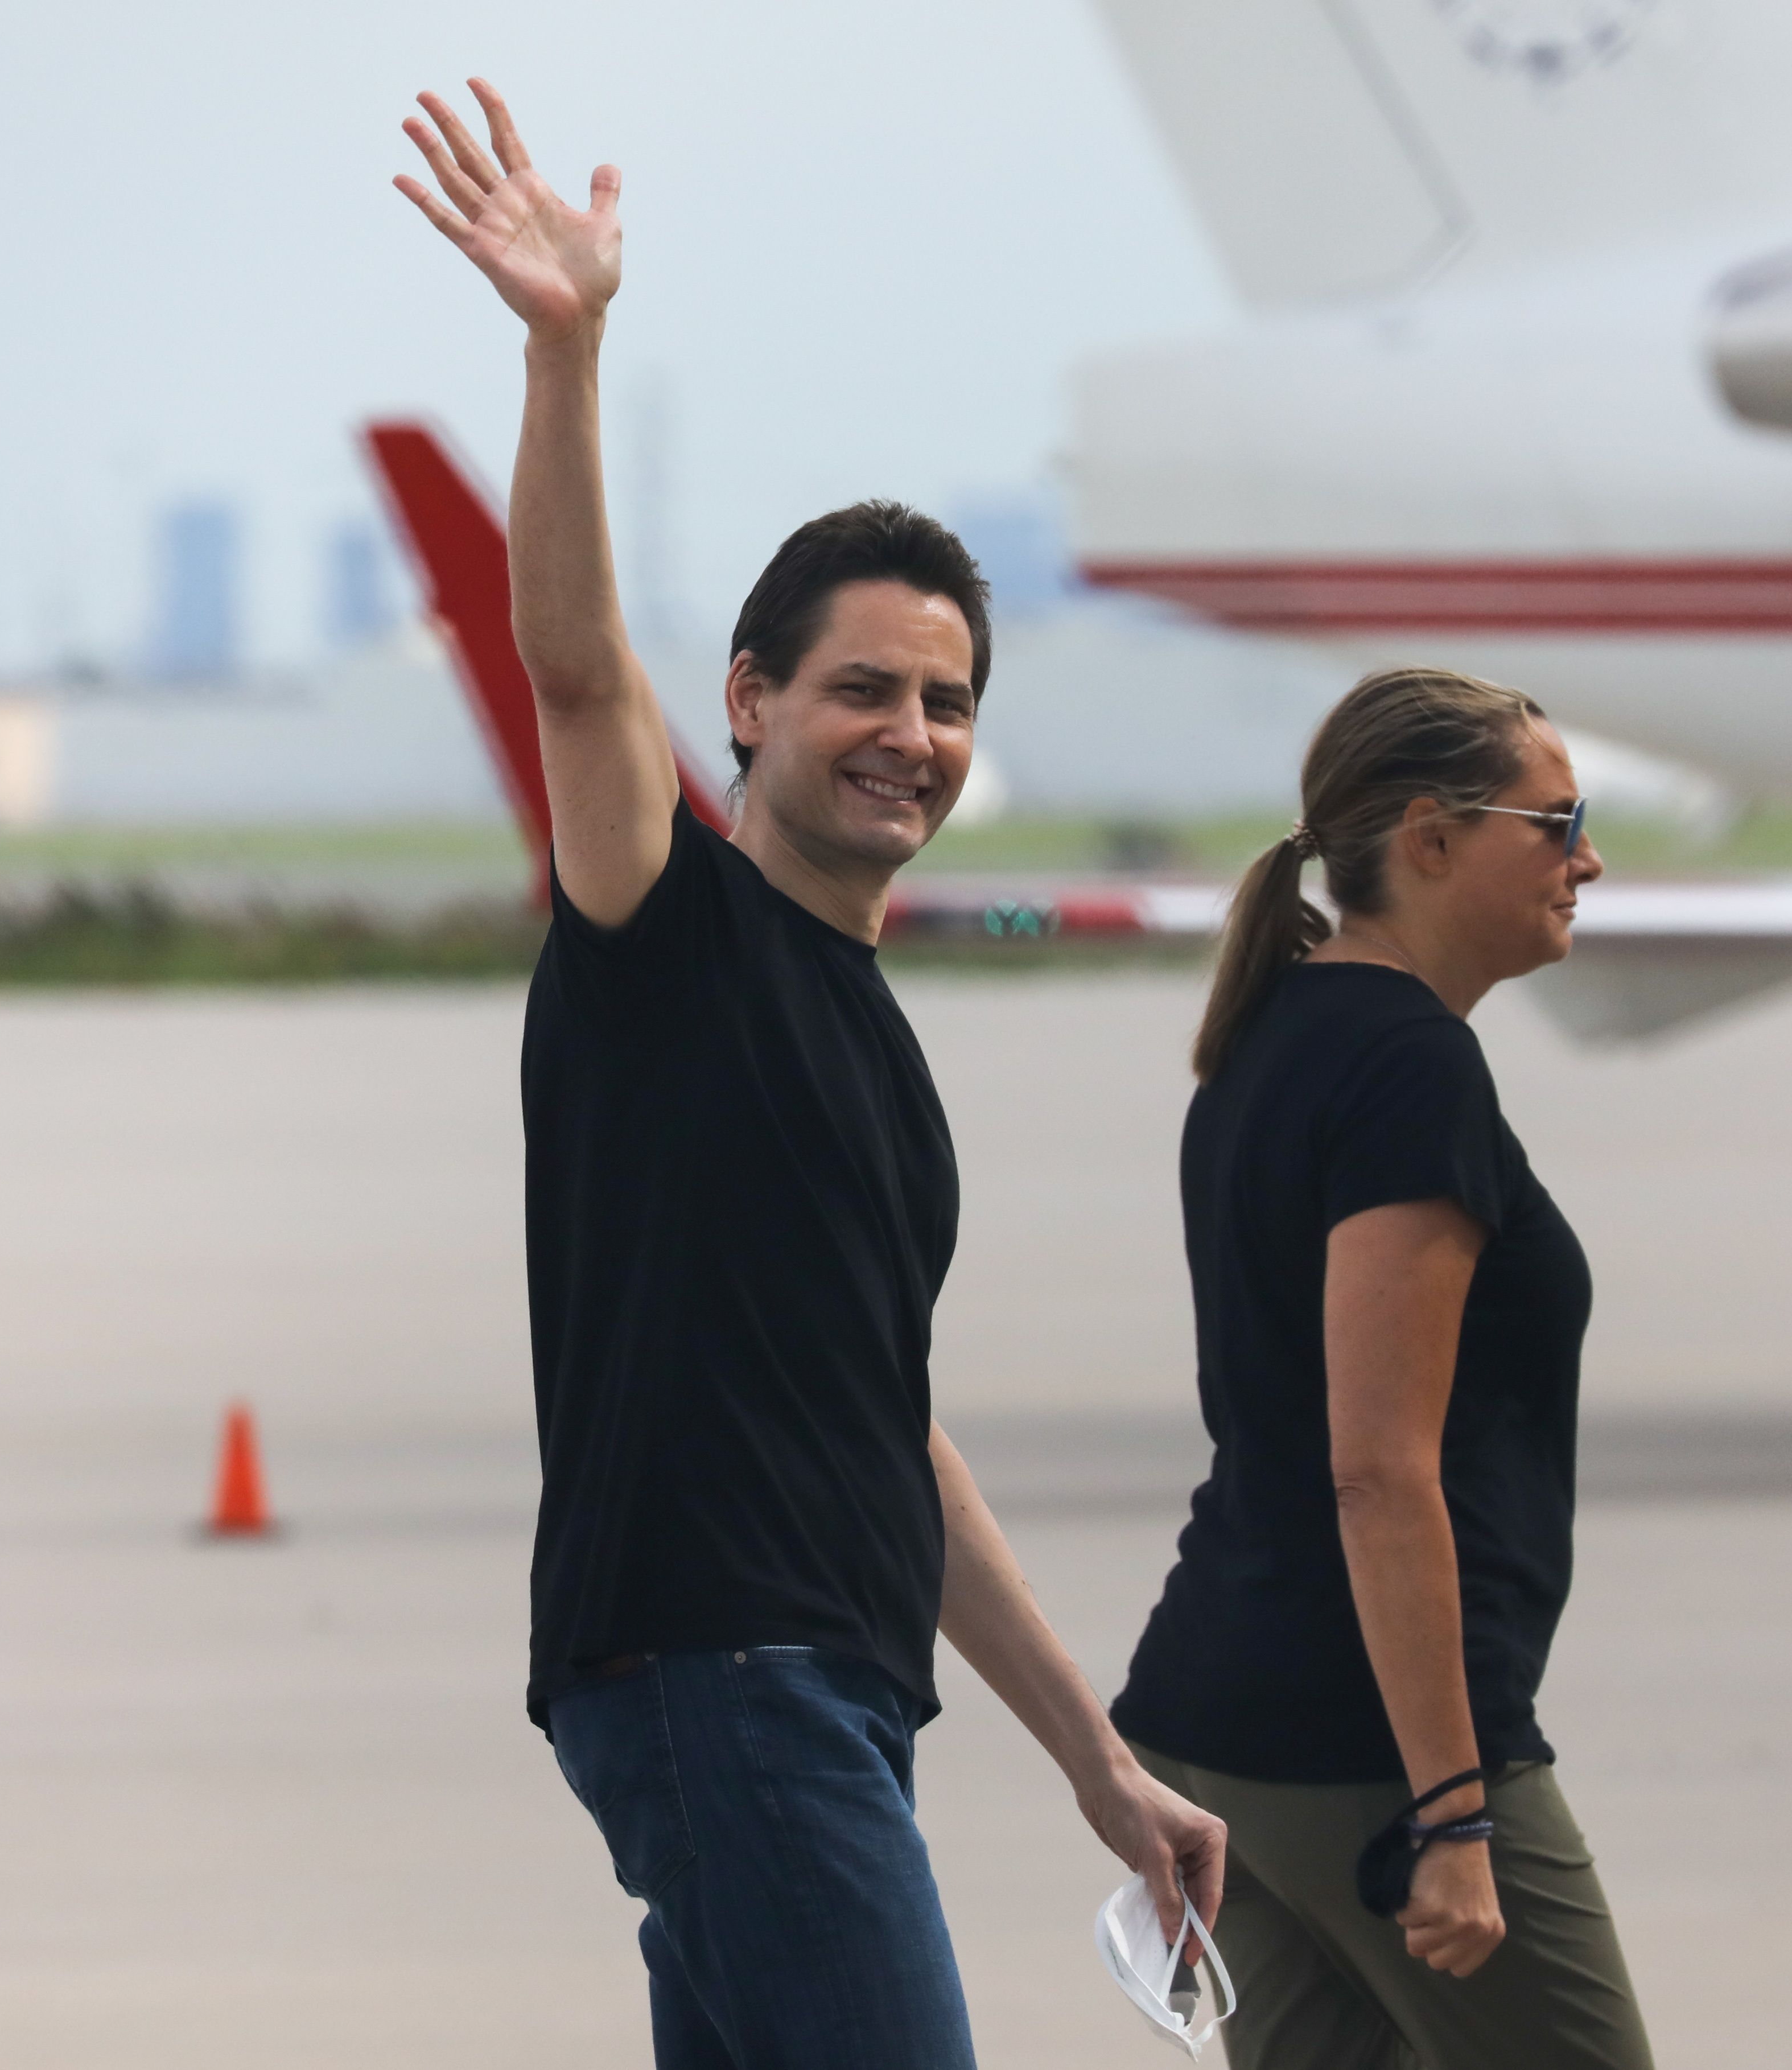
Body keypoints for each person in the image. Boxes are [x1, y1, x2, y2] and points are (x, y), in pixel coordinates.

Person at [393, 78, 1225, 2069]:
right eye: (863, 686)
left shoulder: (875, 1038)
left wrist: (1100, 1762)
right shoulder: (665, 929)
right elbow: (581, 673)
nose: (912, 732)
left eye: (947, 700)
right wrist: (566, 346)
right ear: (753, 702)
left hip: (826, 1685)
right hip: (722, 1666)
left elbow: (892, 1443)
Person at [1108, 667, 1654, 2068]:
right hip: (1361, 1742)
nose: (1584, 857)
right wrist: (1455, 1809)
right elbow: (1374, 1467)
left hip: (1221, 1713)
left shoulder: (1271, 1038)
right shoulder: (1407, 1068)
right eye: (1555, 822)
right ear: (1428, 836)